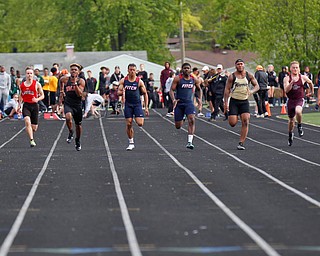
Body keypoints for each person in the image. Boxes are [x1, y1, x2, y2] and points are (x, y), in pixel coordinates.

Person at [223, 59, 259, 150]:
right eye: (238, 64)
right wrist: (225, 103)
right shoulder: (232, 77)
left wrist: (251, 91)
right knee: (232, 123)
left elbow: (257, 86)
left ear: (244, 65)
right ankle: (236, 115)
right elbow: (227, 90)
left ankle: (241, 142)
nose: (240, 66)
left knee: (246, 121)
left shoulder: (248, 75)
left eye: (241, 64)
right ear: (235, 66)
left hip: (244, 101)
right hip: (234, 101)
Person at [169, 62, 202, 149]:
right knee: (178, 126)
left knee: (192, 120)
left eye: (188, 68)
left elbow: (199, 89)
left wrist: (200, 100)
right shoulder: (178, 78)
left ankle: (190, 142)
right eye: (185, 68)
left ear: (190, 70)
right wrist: (173, 100)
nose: (186, 69)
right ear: (182, 70)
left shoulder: (193, 79)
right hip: (179, 103)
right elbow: (171, 90)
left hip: (189, 103)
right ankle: (182, 117)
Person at [117, 63, 149, 151]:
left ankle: (137, 116)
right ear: (128, 70)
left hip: (137, 104)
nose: (132, 71)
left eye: (133, 70)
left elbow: (145, 94)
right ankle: (131, 142)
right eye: (130, 70)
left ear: (136, 71)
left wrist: (146, 107)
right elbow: (118, 92)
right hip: (128, 104)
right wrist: (122, 91)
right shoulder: (124, 81)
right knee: (128, 123)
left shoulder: (139, 81)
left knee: (140, 123)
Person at [284, 61, 314, 146]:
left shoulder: (303, 77)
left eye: (297, 67)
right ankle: (290, 135)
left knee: (298, 111)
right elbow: (286, 90)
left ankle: (300, 125)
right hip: (290, 100)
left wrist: (311, 92)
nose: (295, 69)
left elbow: (310, 83)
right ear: (290, 69)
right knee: (291, 121)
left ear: (299, 69)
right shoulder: (287, 78)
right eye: (293, 67)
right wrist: (291, 83)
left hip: (299, 99)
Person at [59, 63, 85, 151]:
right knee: (68, 117)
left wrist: (75, 84)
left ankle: (77, 140)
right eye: (72, 69)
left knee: (78, 125)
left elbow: (80, 94)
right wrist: (62, 91)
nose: (73, 71)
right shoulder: (65, 79)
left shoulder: (81, 81)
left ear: (78, 72)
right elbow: (61, 80)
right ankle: (71, 131)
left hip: (77, 105)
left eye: (75, 70)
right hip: (68, 103)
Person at [18, 67, 44, 147]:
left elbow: (43, 95)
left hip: (35, 106)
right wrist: (19, 105)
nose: (29, 75)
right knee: (27, 121)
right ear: (25, 75)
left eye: (31, 73)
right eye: (28, 73)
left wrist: (37, 99)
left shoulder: (37, 84)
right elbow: (21, 96)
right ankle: (32, 140)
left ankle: (31, 133)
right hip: (26, 105)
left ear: (33, 75)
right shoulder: (22, 85)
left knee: (34, 128)